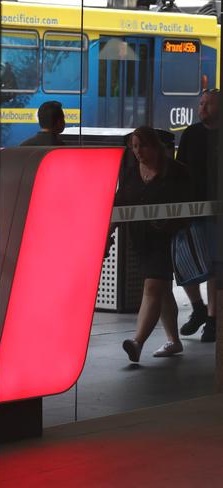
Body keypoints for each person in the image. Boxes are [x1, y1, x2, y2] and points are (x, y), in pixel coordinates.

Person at [116, 127, 192, 362]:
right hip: (141, 241)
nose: (139, 152)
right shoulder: (130, 173)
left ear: (155, 146)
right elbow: (120, 203)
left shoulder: (176, 172)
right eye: (135, 147)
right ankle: (174, 341)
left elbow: (188, 206)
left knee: (152, 288)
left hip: (167, 241)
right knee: (162, 291)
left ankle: (137, 342)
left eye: (143, 146)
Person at [175, 89, 219, 343]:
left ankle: (212, 318)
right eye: (201, 103)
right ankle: (198, 308)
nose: (201, 108)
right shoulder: (191, 134)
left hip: (216, 211)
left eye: (208, 104)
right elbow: (181, 169)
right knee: (184, 262)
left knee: (215, 266)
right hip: (192, 208)